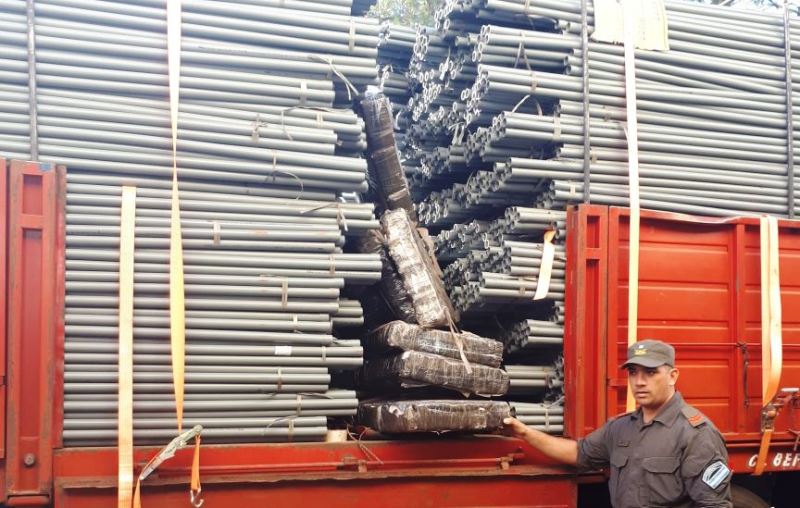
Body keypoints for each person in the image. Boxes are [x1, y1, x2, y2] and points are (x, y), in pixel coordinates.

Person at [504, 339, 732, 508]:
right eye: (633, 372)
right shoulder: (621, 428)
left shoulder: (696, 434)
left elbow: (713, 504)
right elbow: (578, 453)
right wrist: (524, 432)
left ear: (673, 376)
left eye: (650, 372)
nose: (639, 382)